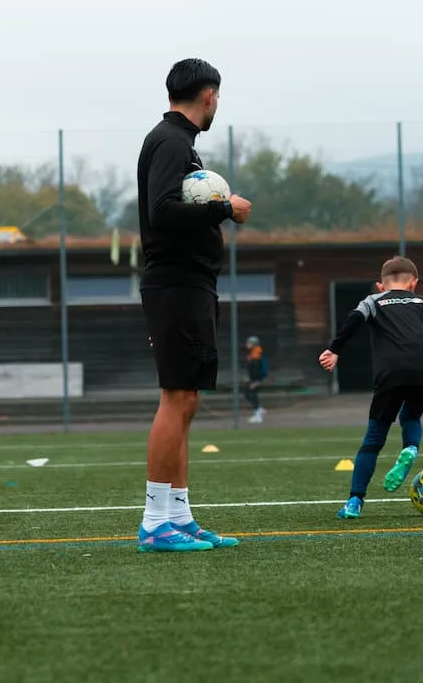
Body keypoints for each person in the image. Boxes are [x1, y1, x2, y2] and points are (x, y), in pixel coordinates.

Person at [135, 58, 252, 552]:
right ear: (208, 95)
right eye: (218, 97)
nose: (217, 105)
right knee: (176, 397)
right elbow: (161, 211)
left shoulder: (182, 145)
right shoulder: (170, 141)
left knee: (189, 399)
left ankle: (178, 516)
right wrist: (224, 208)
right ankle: (153, 522)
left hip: (191, 285)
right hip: (176, 285)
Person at [319, 256, 423, 519]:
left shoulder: (374, 301)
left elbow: (354, 319)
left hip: (392, 371)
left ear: (380, 286)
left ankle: (355, 502)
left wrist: (334, 350)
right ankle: (410, 448)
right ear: (414, 283)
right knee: (411, 415)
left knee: (373, 440)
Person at [244, 335, 269, 424]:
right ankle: (259, 410)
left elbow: (256, 369)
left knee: (251, 394)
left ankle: (258, 415)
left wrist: (256, 381)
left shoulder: (256, 355)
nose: (247, 345)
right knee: (249, 394)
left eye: (249, 343)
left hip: (256, 379)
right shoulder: (254, 353)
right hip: (254, 378)